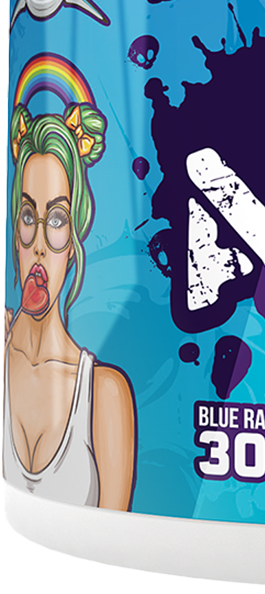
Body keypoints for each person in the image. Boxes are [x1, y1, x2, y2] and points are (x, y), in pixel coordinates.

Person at [3, 101, 137, 510]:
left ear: (76, 238)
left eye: (58, 220)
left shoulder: (104, 393)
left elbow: (118, 537)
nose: (40, 245)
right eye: (29, 216)